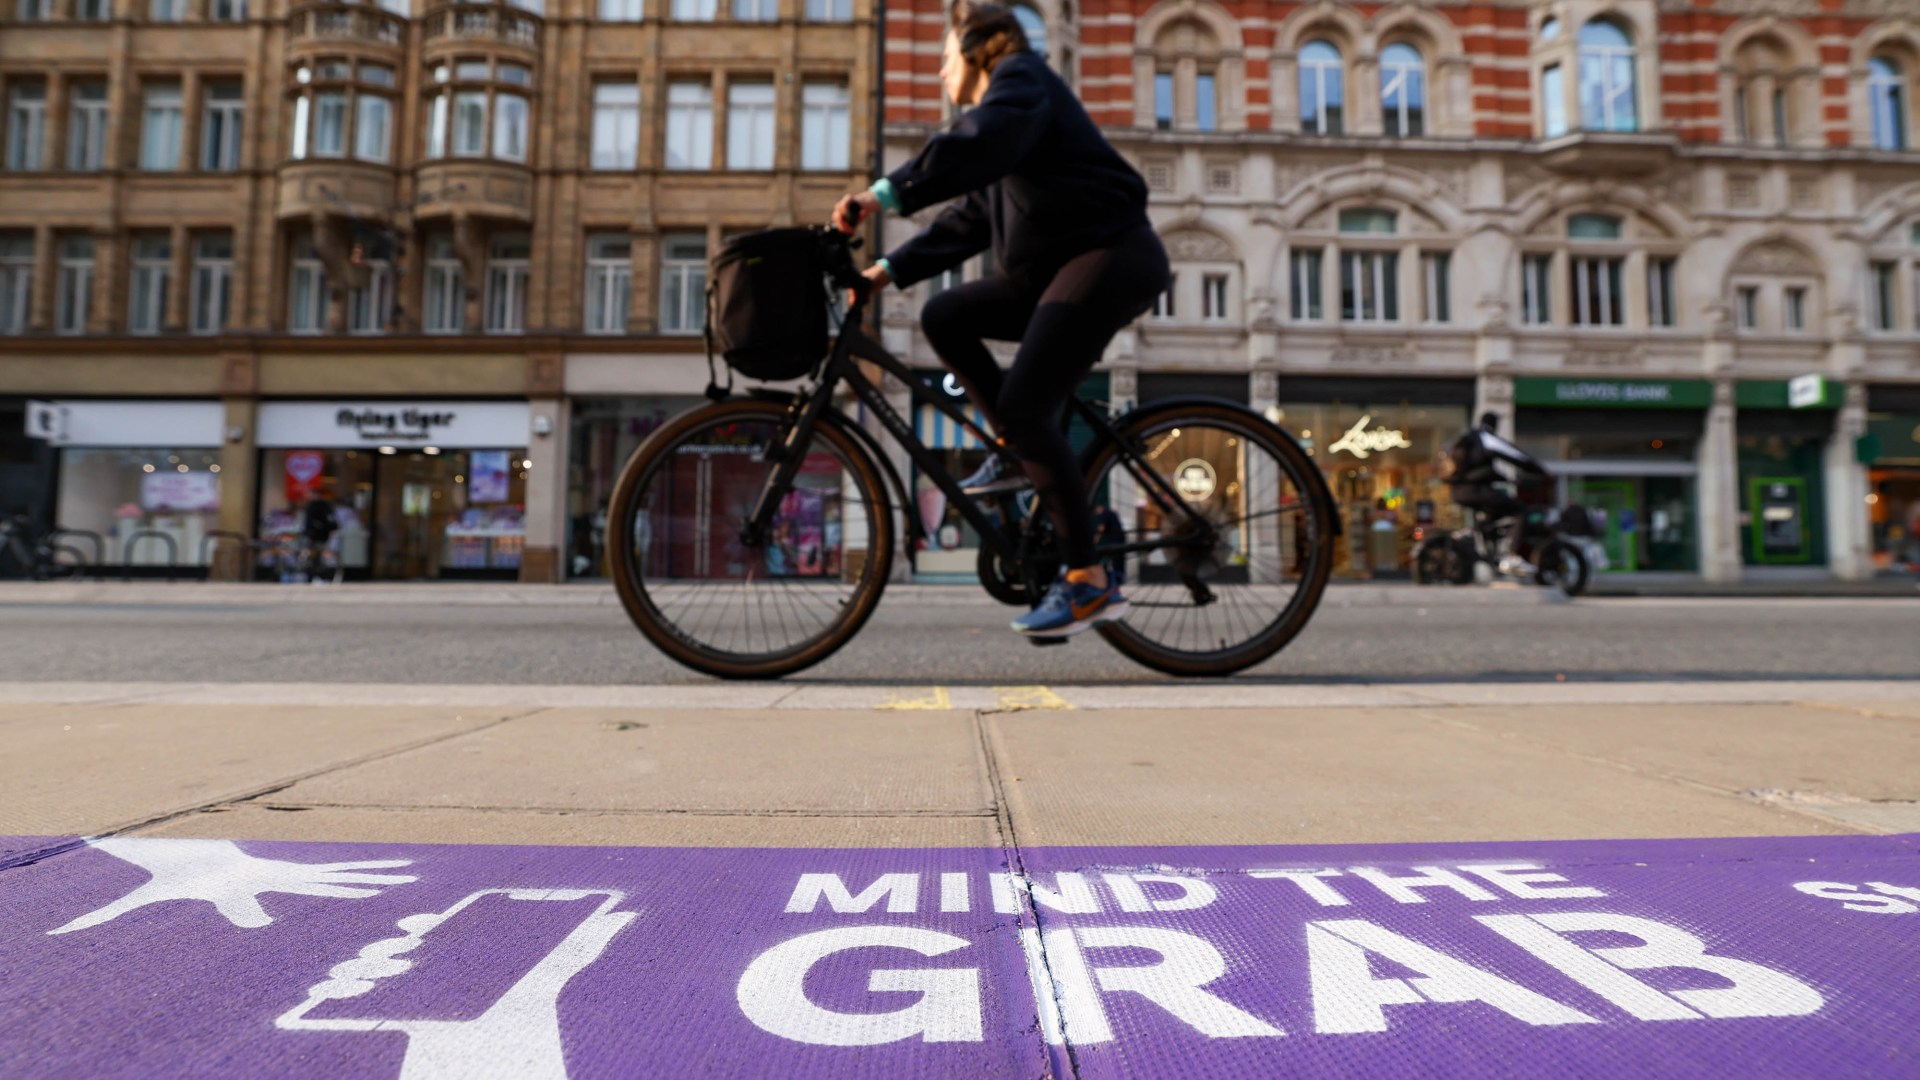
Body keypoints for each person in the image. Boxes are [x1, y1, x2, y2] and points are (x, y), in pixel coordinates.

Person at [834, 1, 1169, 637]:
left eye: (945, 59)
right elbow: (970, 219)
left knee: (1024, 404)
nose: (940, 73)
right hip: (1059, 271)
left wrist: (881, 194)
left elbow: (976, 141)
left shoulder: (1021, 79)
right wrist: (885, 270)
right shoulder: (1008, 133)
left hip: (1112, 257)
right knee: (945, 313)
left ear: (977, 49)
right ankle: (1017, 453)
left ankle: (1087, 581)